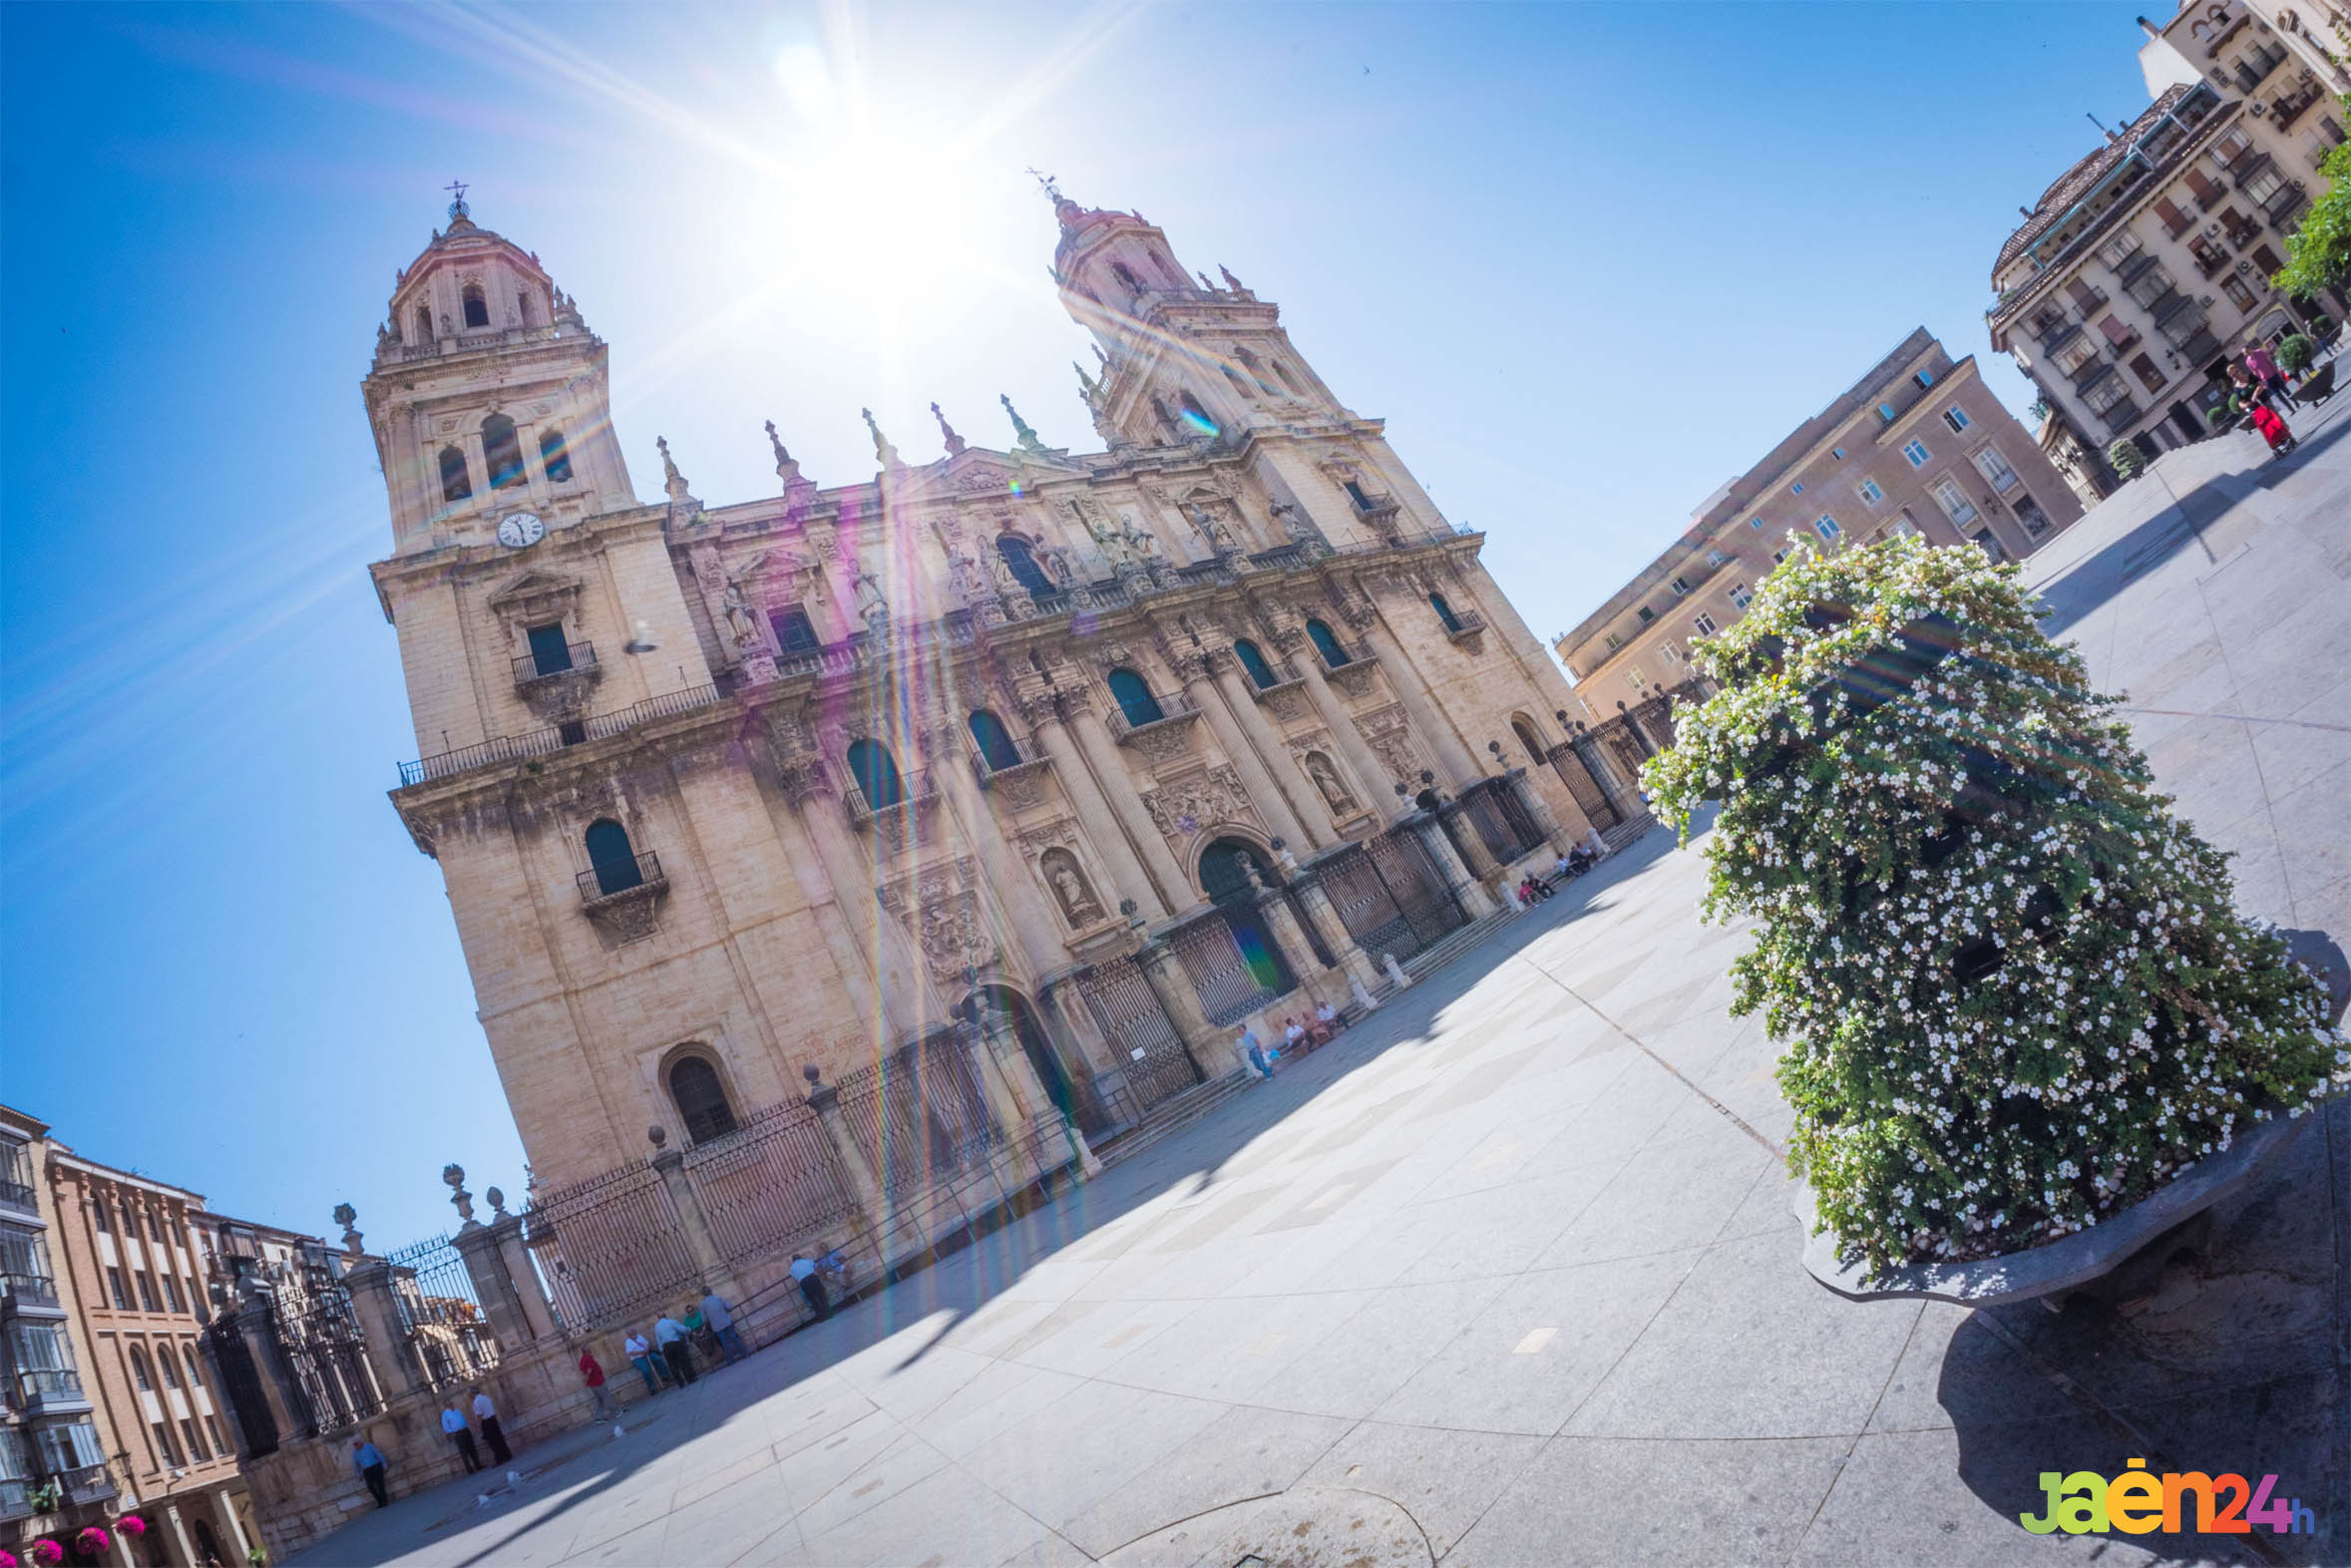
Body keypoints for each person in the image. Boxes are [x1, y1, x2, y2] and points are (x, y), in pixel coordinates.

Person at [701, 1288, 748, 1364]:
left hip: (716, 1326)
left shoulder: (703, 1304)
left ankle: (731, 1360)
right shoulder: (718, 1298)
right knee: (734, 1337)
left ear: (703, 1295)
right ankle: (744, 1353)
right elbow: (729, 1307)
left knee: (724, 1342)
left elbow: (704, 1319)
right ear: (711, 1291)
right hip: (726, 1322)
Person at [2247, 337, 2295, 410]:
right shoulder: (2248, 362)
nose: (2246, 353)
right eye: (2245, 353)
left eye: (2246, 351)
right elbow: (2255, 372)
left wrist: (2277, 371)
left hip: (2273, 374)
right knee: (2278, 395)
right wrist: (2262, 382)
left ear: (2249, 349)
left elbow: (2270, 361)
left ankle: (2295, 401)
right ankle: (2290, 408)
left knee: (2285, 389)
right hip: (2266, 380)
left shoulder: (2259, 352)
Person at [653, 1311, 696, 1385]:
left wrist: (661, 1349)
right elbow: (683, 1330)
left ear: (658, 1318)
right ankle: (690, 1379)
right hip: (676, 1343)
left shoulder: (657, 1326)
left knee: (673, 1366)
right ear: (665, 1315)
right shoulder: (671, 1321)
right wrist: (688, 1330)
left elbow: (658, 1339)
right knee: (683, 1362)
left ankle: (680, 1383)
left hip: (666, 1347)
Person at [472, 1386, 512, 1466]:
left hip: (486, 1422)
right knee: (499, 1438)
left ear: (472, 1394)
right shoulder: (486, 1398)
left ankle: (499, 1459)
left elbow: (479, 1416)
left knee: (493, 1442)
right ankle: (507, 1455)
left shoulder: (476, 1402)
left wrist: (479, 1427)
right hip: (493, 1419)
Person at [440, 1399, 481, 1472]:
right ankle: (469, 1469)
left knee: (472, 1448)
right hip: (458, 1434)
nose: (451, 1405)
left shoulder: (457, 1411)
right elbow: (445, 1426)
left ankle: (478, 1465)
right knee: (463, 1452)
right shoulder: (445, 1414)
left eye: (451, 1403)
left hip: (465, 1430)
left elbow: (463, 1419)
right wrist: (452, 1433)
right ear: (446, 1406)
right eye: (449, 1404)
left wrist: (467, 1426)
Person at [621, 1329, 664, 1396]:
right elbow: (630, 1353)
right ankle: (651, 1387)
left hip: (647, 1353)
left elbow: (647, 1343)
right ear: (629, 1335)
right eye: (632, 1333)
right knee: (645, 1370)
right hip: (638, 1358)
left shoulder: (639, 1336)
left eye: (634, 1332)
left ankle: (665, 1377)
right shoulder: (628, 1342)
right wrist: (641, 1352)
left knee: (658, 1359)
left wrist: (647, 1350)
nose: (634, 1334)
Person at [790, 1254, 831, 1322]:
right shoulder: (807, 1261)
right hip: (812, 1277)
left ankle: (821, 1317)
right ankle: (828, 1313)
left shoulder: (792, 1268)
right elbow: (816, 1266)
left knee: (812, 1300)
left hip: (804, 1282)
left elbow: (795, 1278)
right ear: (801, 1257)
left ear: (793, 1260)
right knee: (821, 1296)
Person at [578, 1347, 615, 1420]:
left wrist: (586, 1380)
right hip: (597, 1381)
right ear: (587, 1350)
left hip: (592, 1383)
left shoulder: (582, 1360)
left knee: (598, 1400)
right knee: (606, 1396)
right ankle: (616, 1411)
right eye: (589, 1349)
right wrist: (586, 1378)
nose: (591, 1350)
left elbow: (582, 1371)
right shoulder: (588, 1358)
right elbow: (589, 1370)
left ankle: (598, 1418)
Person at [351, 1437, 390, 1508]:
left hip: (376, 1467)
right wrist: (358, 1474)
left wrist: (384, 1464)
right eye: (354, 1444)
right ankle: (379, 1501)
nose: (355, 1446)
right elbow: (356, 1465)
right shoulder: (355, 1453)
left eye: (356, 1444)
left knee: (380, 1484)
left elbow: (378, 1455)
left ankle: (384, 1501)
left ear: (361, 1442)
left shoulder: (369, 1446)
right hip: (366, 1470)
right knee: (370, 1486)